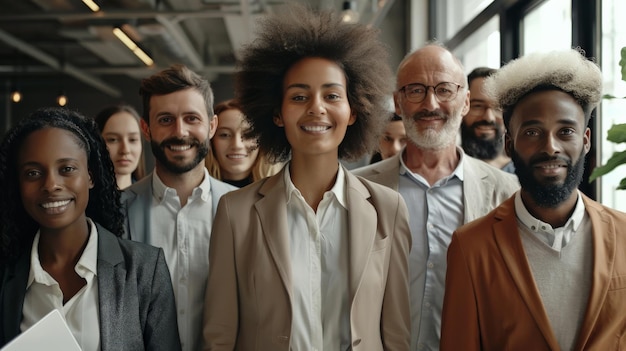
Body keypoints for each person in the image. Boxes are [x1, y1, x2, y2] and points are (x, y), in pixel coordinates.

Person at [202, 4, 411, 350]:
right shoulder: (235, 212)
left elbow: (396, 335)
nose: (316, 107)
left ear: (353, 110)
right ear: (278, 114)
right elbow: (219, 335)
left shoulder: (388, 208)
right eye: (299, 96)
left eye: (331, 95)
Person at [440, 48, 626, 351]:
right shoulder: (471, 247)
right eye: (532, 132)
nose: (550, 147)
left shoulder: (624, 233)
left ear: (586, 140)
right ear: (510, 144)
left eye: (565, 131)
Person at [353, 43, 519, 350]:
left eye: (444, 90)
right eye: (415, 90)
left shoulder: (507, 193)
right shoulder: (357, 190)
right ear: (398, 102)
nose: (430, 104)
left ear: (465, 101)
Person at [0, 107, 181, 350]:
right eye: (33, 173)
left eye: (67, 169)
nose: (51, 185)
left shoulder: (144, 269)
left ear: (91, 176)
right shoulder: (6, 274)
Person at [121, 64, 236, 351]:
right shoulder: (116, 211)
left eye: (191, 118)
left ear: (211, 126)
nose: (180, 131)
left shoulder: (243, 210)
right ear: (146, 128)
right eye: (166, 119)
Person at [205, 98, 283, 187]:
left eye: (248, 134)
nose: (237, 145)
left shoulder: (282, 192)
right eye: (225, 135)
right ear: (211, 141)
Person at [461, 67, 514, 173]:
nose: (488, 117)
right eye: (477, 106)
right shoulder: (448, 167)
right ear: (463, 106)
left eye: (497, 108)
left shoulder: (524, 171)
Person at [95, 104, 146, 189]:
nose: (125, 150)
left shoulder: (153, 199)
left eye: (132, 140)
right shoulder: (81, 199)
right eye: (113, 140)